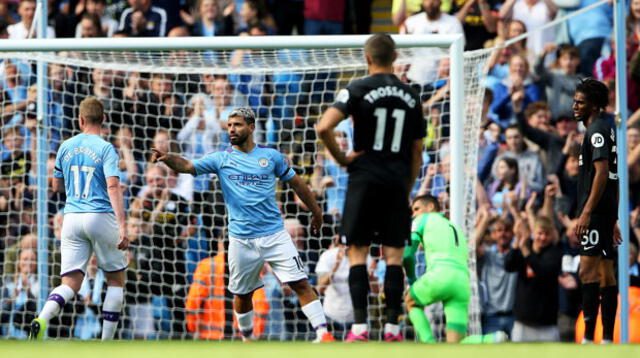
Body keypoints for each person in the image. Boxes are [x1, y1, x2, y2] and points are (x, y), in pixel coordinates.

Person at [151, 107, 335, 343]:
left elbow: (297, 183)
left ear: (251, 127)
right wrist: (168, 159)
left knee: (299, 282)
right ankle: (247, 338)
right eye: (229, 125)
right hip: (241, 239)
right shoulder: (222, 158)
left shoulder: (271, 157)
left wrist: (316, 211)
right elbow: (188, 166)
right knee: (242, 293)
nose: (231, 130)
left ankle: (323, 333)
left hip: (274, 234)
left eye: (237, 125)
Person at [316, 33, 426, 342]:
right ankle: (392, 329)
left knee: (357, 254)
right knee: (393, 256)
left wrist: (343, 160)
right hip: (395, 180)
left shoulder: (356, 88)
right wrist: (406, 186)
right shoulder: (412, 95)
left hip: (363, 179)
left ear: (367, 59)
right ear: (395, 58)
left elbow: (323, 127)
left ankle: (360, 329)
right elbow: (417, 150)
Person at [29, 97, 129, 341]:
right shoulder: (106, 148)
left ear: (80, 119)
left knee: (70, 282)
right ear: (103, 120)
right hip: (100, 215)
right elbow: (113, 186)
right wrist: (123, 225)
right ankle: (106, 344)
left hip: (71, 217)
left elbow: (56, 185)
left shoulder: (65, 146)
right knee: (116, 279)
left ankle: (42, 318)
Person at [404, 195, 507, 343]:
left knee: (410, 301)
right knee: (456, 344)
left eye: (416, 209)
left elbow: (407, 255)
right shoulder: (455, 228)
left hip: (440, 276)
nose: (414, 214)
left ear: (431, 207)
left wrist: (412, 280)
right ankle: (491, 339)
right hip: (462, 283)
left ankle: (429, 344)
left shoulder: (423, 219)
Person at [572, 78, 621, 344]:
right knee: (604, 272)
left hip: (596, 213)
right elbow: (615, 175)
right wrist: (612, 216)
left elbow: (603, 172)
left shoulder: (597, 131)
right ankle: (607, 340)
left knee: (587, 271)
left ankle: (590, 339)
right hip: (604, 212)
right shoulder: (604, 127)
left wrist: (587, 213)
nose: (575, 106)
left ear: (594, 105)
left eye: (580, 102)